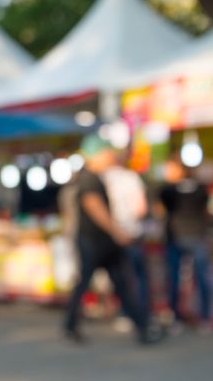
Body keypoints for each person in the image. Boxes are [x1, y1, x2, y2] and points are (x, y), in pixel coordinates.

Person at [63, 136, 160, 345]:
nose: (111, 157)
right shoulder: (89, 178)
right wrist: (116, 231)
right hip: (93, 242)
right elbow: (94, 206)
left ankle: (141, 326)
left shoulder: (97, 177)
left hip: (103, 242)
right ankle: (71, 324)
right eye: (107, 153)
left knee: (121, 284)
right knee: (88, 284)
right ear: (96, 155)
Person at [158, 156, 213, 333]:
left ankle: (178, 317)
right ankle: (204, 317)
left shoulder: (168, 190)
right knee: (200, 278)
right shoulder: (201, 189)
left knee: (176, 278)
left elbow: (161, 210)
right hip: (195, 236)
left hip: (178, 237)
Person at [103, 159, 151, 326]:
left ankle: (125, 312)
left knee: (120, 277)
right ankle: (142, 313)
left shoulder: (104, 179)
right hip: (132, 232)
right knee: (138, 276)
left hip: (113, 233)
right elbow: (141, 209)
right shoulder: (132, 178)